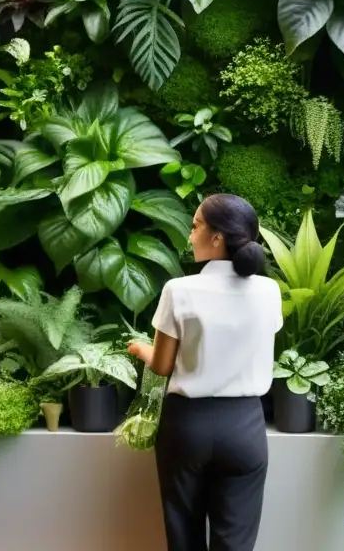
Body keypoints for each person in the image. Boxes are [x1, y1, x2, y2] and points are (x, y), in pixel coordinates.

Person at [128, 194, 282, 551]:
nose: (190, 235)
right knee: (236, 543)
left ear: (217, 238)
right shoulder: (269, 291)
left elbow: (164, 365)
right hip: (245, 426)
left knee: (184, 537)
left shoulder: (179, 290)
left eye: (195, 226)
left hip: (187, 426)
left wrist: (139, 348)